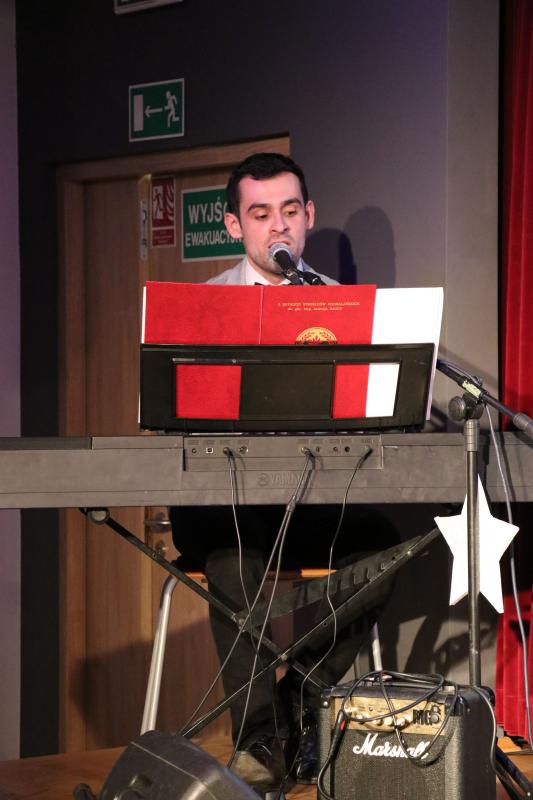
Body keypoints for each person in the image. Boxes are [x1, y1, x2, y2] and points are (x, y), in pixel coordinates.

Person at [170, 153, 397, 797]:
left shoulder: (339, 303)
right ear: (234, 224)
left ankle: (304, 692)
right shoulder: (204, 305)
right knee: (230, 564)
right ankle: (259, 739)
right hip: (229, 503)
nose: (279, 226)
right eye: (261, 213)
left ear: (309, 216)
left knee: (384, 550)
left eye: (290, 211)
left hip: (312, 497)